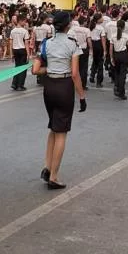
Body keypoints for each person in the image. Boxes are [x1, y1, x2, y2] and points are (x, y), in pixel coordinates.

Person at [32, 11, 86, 191]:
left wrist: (49, 69)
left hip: (49, 87)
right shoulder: (72, 44)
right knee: (61, 131)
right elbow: (76, 73)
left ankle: (47, 167)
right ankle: (54, 177)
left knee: (53, 128)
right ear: (68, 25)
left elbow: (35, 69)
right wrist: (82, 96)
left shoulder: (47, 43)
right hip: (64, 86)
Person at [110, 19, 128, 100]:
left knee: (117, 72)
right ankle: (121, 92)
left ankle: (116, 87)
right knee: (123, 74)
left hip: (116, 55)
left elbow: (111, 48)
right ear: (124, 27)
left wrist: (111, 57)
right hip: (123, 55)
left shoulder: (112, 36)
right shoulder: (126, 36)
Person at [10, 15, 31, 91]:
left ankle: (14, 83)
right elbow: (26, 43)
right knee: (23, 69)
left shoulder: (13, 31)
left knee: (17, 66)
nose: (25, 23)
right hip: (22, 50)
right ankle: (20, 85)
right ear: (20, 21)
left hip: (15, 50)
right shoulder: (24, 31)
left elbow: (11, 42)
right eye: (24, 21)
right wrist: (28, 54)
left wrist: (11, 53)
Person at [89, 14, 106, 88]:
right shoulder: (101, 28)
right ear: (98, 19)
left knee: (94, 61)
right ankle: (99, 82)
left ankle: (92, 76)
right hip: (98, 44)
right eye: (101, 17)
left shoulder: (90, 26)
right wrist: (105, 50)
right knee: (100, 63)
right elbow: (103, 40)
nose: (103, 19)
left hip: (91, 43)